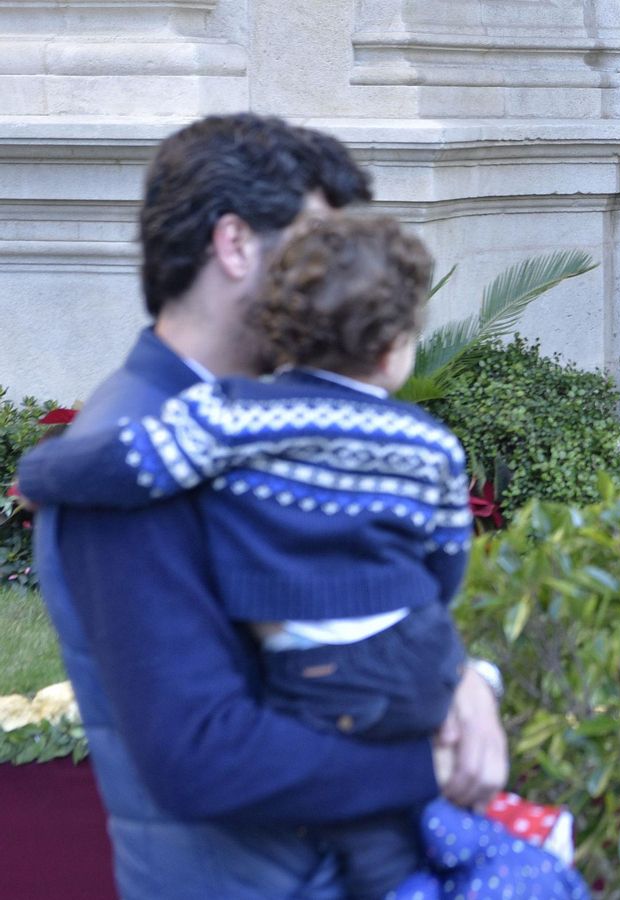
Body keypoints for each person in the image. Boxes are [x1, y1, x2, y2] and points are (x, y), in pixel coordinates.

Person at [17, 114, 507, 899]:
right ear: (235, 244)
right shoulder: (137, 452)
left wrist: (461, 680)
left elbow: (371, 598)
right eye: (315, 246)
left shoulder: (261, 426)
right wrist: (432, 762)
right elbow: (204, 757)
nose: (341, 277)